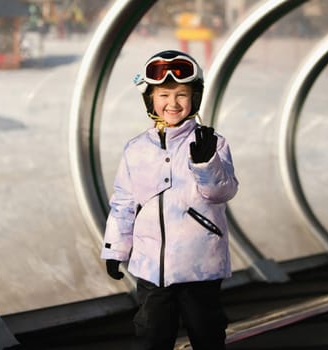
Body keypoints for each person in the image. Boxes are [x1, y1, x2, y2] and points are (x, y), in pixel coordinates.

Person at [101, 49, 238, 350]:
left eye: (181, 94)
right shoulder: (136, 149)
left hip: (199, 263)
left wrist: (205, 165)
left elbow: (222, 192)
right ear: (150, 98)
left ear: (195, 98)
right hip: (152, 266)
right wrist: (115, 248)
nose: (172, 103)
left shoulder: (212, 143)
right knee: (152, 337)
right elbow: (123, 202)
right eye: (163, 94)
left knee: (207, 335)